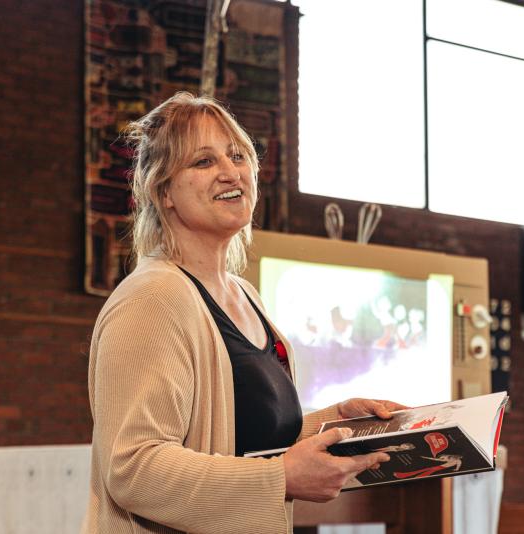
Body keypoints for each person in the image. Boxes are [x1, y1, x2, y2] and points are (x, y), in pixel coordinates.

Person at [82, 92, 405, 534]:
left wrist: (333, 424)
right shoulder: (152, 298)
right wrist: (283, 478)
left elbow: (242, 441)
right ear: (164, 193)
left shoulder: (245, 295)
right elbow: (134, 468)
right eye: (203, 162)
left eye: (237, 156)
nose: (230, 171)